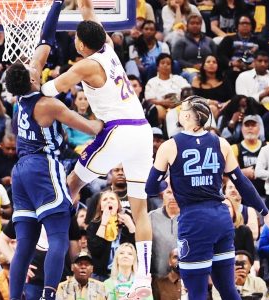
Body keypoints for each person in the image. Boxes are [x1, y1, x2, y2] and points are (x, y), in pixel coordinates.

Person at [41, 0, 154, 295]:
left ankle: (45, 236)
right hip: (142, 131)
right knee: (140, 208)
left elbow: (51, 90)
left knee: (72, 184)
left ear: (80, 42)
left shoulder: (86, 64)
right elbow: (89, 11)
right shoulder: (106, 45)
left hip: (117, 130)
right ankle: (143, 279)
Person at [3, 1, 103, 299]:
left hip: (20, 172)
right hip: (42, 166)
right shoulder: (48, 105)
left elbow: (44, 40)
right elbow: (91, 128)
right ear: (32, 80)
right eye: (34, 70)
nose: (37, 68)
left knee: (25, 243)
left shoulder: (21, 96)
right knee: (59, 233)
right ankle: (49, 294)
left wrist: (56, 7)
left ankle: (15, 295)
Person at [146, 95, 269, 299]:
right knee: (227, 289)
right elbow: (243, 183)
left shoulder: (170, 146)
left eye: (183, 109)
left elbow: (150, 187)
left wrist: (167, 181)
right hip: (221, 218)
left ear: (188, 116)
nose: (179, 111)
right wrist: (266, 214)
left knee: (196, 292)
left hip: (194, 220)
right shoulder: (222, 143)